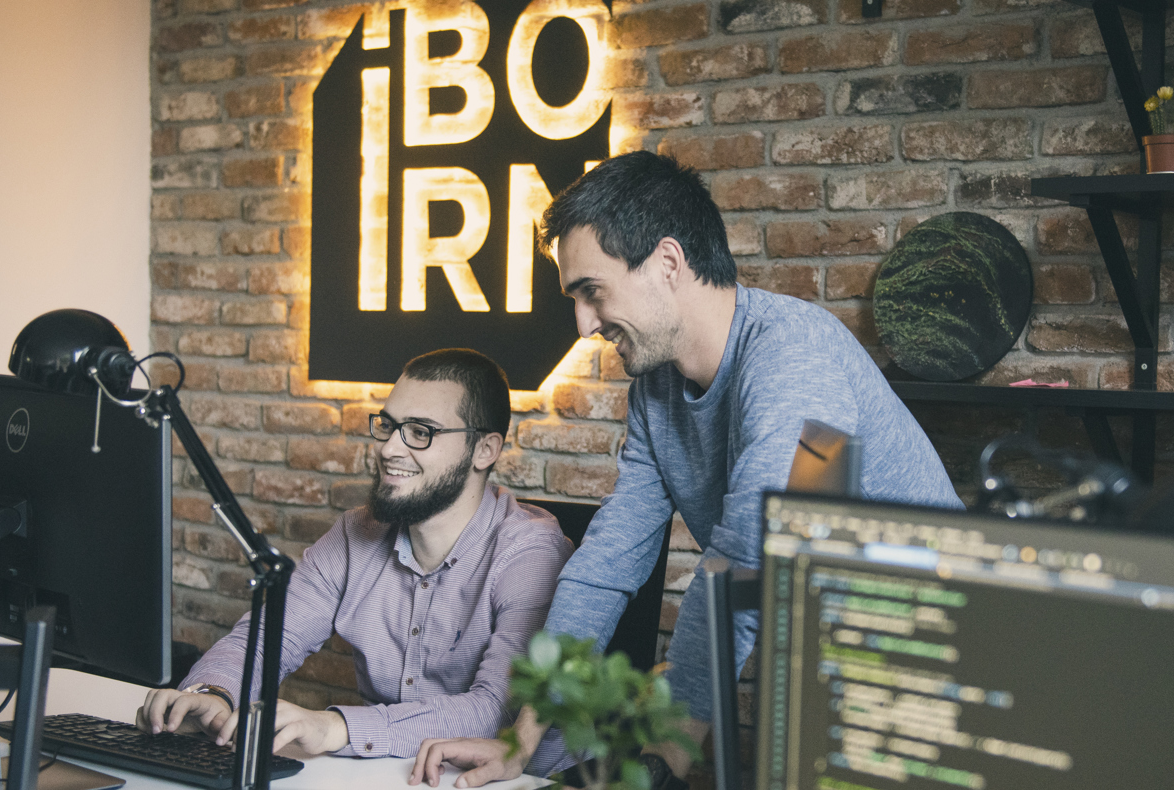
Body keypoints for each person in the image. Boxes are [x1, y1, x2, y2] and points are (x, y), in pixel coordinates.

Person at [410, 152, 961, 788]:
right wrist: (521, 740)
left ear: (668, 263)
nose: (585, 323)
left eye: (592, 291)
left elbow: (744, 560)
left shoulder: (795, 360)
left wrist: (664, 758)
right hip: (826, 664)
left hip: (932, 670)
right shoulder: (658, 389)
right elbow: (607, 563)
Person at [138, 348, 573, 758]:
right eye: (387, 426)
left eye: (421, 432)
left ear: (485, 450)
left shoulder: (530, 553)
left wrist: (335, 728)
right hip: (394, 774)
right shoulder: (356, 533)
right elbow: (270, 639)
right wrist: (212, 694)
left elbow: (497, 711)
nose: (389, 449)